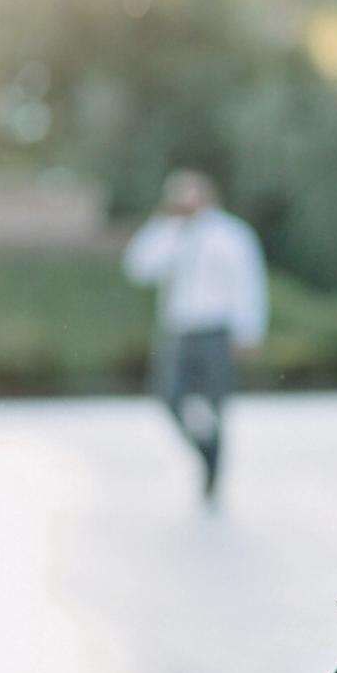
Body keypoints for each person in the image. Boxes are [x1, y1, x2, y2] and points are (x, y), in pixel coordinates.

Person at [123, 170, 268, 506]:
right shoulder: (170, 234)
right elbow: (138, 267)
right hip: (178, 329)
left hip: (215, 329)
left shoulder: (231, 235)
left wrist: (248, 331)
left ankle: (214, 474)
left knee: (215, 405)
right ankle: (204, 453)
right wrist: (164, 223)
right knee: (168, 397)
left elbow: (247, 284)